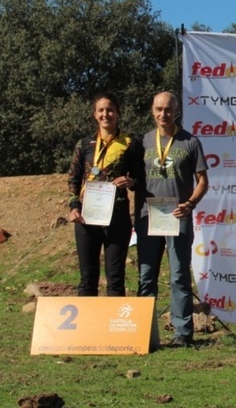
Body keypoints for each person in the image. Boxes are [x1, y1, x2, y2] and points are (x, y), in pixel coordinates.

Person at [135, 91, 209, 347]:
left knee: (178, 274)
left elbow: (203, 182)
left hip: (178, 216)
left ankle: (182, 333)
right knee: (146, 275)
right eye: (158, 109)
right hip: (149, 216)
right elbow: (135, 179)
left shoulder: (190, 142)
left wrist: (189, 204)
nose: (163, 114)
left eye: (168, 109)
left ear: (176, 111)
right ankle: (142, 332)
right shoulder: (143, 141)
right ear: (152, 111)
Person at [67, 93, 143, 297]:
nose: (105, 114)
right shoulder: (84, 144)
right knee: (87, 278)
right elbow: (73, 178)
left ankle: (114, 328)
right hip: (86, 214)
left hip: (116, 216)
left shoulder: (130, 142)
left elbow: (141, 178)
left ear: (118, 113)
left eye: (110, 110)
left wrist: (132, 181)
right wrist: (74, 206)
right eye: (101, 110)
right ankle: (86, 327)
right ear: (94, 114)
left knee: (115, 278)